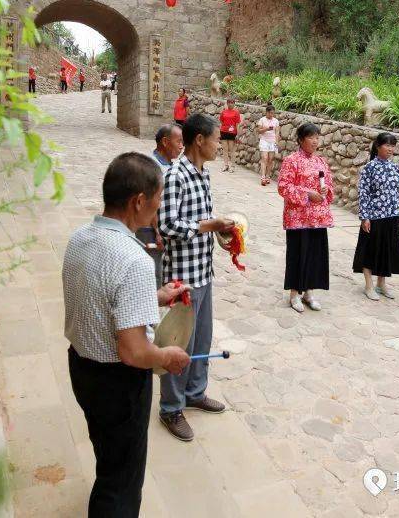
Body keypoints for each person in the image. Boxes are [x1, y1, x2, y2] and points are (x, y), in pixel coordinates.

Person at [62, 152, 192, 517]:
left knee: (108, 454)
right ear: (138, 201)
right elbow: (135, 352)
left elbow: (102, 296)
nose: (158, 209)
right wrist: (169, 357)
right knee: (121, 482)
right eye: (157, 200)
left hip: (82, 369)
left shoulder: (80, 237)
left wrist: (156, 296)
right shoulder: (134, 258)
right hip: (118, 384)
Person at [157, 113, 235, 441]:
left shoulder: (203, 175)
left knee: (201, 340)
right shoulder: (176, 175)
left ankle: (195, 392)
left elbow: (202, 220)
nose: (221, 144)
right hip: (182, 277)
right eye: (217, 138)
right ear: (200, 140)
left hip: (203, 270)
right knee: (178, 341)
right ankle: (171, 408)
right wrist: (209, 226)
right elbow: (167, 225)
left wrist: (223, 235)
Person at [278, 123, 334, 313]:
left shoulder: (321, 162)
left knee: (314, 255)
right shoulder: (291, 161)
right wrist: (307, 193)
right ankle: (295, 293)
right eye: (311, 137)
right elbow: (284, 187)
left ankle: (309, 292)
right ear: (301, 140)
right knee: (298, 254)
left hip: (317, 218)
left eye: (317, 137)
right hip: (298, 218)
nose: (315, 141)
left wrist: (326, 191)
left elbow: (329, 186)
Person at [353, 132, 399, 300]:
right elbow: (364, 193)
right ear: (378, 146)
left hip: (392, 216)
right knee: (370, 250)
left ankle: (381, 284)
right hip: (374, 216)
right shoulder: (369, 168)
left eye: (393, 145)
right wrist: (365, 216)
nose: (391, 149)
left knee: (386, 251)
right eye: (387, 145)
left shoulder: (395, 167)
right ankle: (369, 285)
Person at [135, 124, 184, 287]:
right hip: (151, 230)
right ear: (165, 141)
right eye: (179, 142)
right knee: (153, 274)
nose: (181, 146)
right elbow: (152, 203)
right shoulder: (152, 167)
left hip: (164, 231)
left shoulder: (171, 166)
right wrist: (158, 232)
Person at [256, 104, 280, 186]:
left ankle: (268, 176)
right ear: (266, 112)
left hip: (272, 142)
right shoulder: (262, 120)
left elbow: (277, 132)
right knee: (264, 158)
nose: (271, 115)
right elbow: (258, 131)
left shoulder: (276, 121)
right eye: (270, 113)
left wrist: (276, 142)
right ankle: (263, 177)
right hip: (264, 141)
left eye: (273, 113)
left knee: (270, 159)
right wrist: (266, 129)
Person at [218, 97, 241, 172]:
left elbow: (237, 124)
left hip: (232, 133)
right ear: (227, 103)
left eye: (232, 103)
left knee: (231, 150)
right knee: (225, 149)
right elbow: (221, 122)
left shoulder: (236, 113)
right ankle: (226, 165)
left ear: (234, 104)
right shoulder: (223, 112)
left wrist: (237, 134)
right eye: (229, 102)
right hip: (224, 132)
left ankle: (232, 166)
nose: (230, 104)